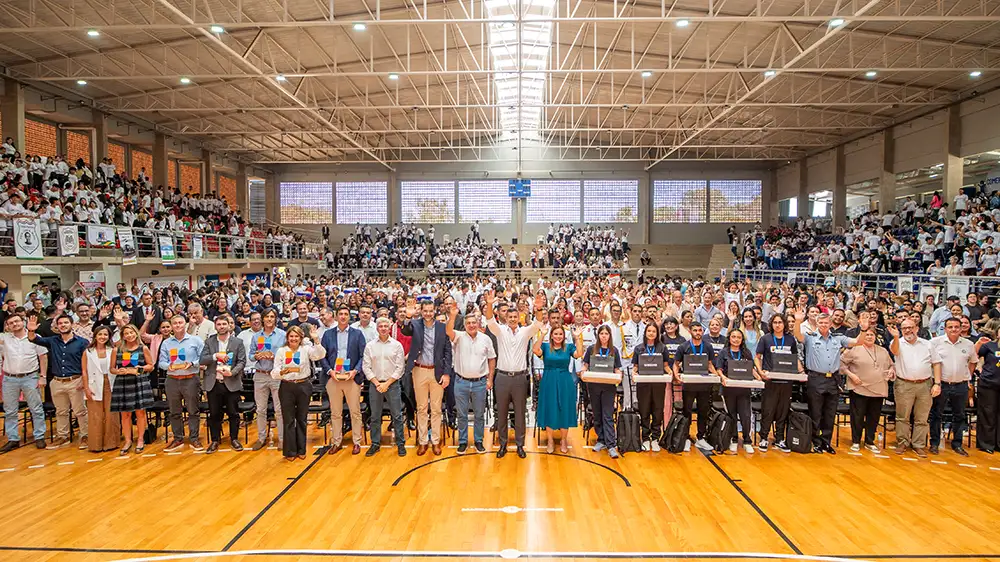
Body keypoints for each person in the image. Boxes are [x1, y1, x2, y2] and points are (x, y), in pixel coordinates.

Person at [485, 290, 544, 459]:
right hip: (502, 377)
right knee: (501, 413)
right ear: (505, 318)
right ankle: (502, 444)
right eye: (509, 317)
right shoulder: (500, 331)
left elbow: (538, 324)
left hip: (520, 378)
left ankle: (520, 445)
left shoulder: (525, 332)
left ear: (519, 317)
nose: (512, 319)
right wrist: (489, 304)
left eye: (514, 317)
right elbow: (489, 320)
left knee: (520, 413)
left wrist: (538, 309)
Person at [794, 310, 859, 454]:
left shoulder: (838, 338)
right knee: (816, 413)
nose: (823, 325)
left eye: (826, 323)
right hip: (816, 378)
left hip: (833, 379)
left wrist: (864, 329)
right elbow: (798, 336)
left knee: (830, 414)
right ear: (816, 324)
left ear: (830, 324)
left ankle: (826, 442)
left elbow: (857, 342)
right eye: (821, 322)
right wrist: (798, 320)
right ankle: (816, 442)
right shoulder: (810, 337)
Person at [28, 313, 89, 448]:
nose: (63, 325)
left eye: (66, 323)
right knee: (61, 411)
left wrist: (83, 380)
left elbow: (87, 363)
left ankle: (85, 435)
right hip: (57, 381)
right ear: (57, 326)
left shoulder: (82, 342)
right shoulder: (52, 340)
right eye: (60, 323)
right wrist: (31, 330)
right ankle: (63, 436)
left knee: (80, 411)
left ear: (72, 325)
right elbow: (32, 338)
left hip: (75, 380)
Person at [401, 300, 452, 456]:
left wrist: (446, 373)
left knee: (436, 409)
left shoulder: (443, 328)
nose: (428, 313)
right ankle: (423, 441)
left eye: (431, 311)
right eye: (425, 311)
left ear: (435, 311)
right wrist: (408, 317)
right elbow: (405, 331)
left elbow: (447, 352)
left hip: (437, 371)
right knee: (421, 408)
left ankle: (436, 441)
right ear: (421, 311)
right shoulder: (415, 325)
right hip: (419, 370)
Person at [447, 303, 496, 455]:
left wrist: (490, 379)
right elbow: (448, 330)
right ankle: (462, 442)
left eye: (474, 322)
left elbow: (492, 359)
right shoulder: (459, 336)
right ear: (464, 325)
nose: (471, 325)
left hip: (480, 382)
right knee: (461, 414)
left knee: (479, 414)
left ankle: (478, 441)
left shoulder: (486, 339)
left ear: (478, 323)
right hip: (461, 381)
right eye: (468, 323)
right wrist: (453, 315)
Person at [271, 325, 325, 460]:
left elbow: (320, 355)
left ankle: (301, 449)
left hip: (303, 386)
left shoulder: (306, 349)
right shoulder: (281, 351)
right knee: (288, 419)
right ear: (287, 338)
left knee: (301, 419)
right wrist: (284, 372)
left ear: (301, 337)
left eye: (296, 336)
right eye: (291, 336)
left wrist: (316, 339)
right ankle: (290, 451)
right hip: (287, 386)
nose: (293, 339)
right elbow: (275, 372)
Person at [888, 318, 940, 457]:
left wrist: (937, 383)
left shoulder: (927, 344)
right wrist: (895, 336)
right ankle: (902, 442)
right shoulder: (897, 342)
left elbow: (936, 363)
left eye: (910, 327)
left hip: (925, 384)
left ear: (916, 328)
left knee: (922, 418)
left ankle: (918, 445)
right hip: (904, 384)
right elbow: (894, 351)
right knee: (902, 417)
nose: (907, 330)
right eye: (904, 328)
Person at [319, 305, 366, 455]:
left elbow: (363, 356)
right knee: (335, 412)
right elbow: (322, 356)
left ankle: (357, 441)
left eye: (346, 314)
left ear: (349, 317)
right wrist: (329, 371)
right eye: (341, 314)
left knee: (355, 412)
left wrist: (355, 371)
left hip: (351, 378)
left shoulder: (357, 334)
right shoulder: (328, 335)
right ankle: (336, 441)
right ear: (336, 316)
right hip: (333, 378)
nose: (343, 316)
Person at [754, 313, 803, 453]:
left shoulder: (790, 339)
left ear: (784, 324)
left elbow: (795, 359)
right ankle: (763, 437)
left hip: (786, 381)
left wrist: (801, 372)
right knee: (768, 410)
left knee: (783, 411)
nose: (777, 325)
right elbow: (757, 357)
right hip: (770, 381)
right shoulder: (765, 339)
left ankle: (780, 439)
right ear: (771, 324)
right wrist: (760, 371)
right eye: (775, 322)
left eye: (780, 322)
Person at [928, 317, 977, 456]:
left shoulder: (968, 344)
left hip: (961, 385)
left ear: (961, 328)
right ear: (945, 328)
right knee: (937, 414)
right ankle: (934, 443)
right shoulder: (935, 343)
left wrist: (968, 376)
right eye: (950, 327)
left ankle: (957, 444)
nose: (954, 329)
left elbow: (973, 362)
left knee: (959, 415)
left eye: (956, 327)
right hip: (941, 384)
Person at [0, 314, 49, 453]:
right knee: (10, 411)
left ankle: (39, 436)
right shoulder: (4, 339)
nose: (14, 324)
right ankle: (13, 439)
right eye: (11, 323)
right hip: (9, 378)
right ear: (7, 326)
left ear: (23, 322)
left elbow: (43, 357)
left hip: (30, 377)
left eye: (17, 321)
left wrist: (43, 376)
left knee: (36, 408)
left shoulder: (35, 337)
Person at [839, 328, 893, 453]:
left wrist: (891, 370)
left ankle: (869, 441)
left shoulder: (883, 350)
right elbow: (841, 364)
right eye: (867, 334)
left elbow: (891, 365)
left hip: (878, 389)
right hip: (859, 387)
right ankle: (856, 441)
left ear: (876, 336)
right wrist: (851, 375)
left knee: (873, 417)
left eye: (872, 335)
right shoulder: (853, 349)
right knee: (857, 416)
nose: (869, 337)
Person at [158, 315, 206, 452]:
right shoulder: (166, 343)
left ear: (185, 324)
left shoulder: (195, 340)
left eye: (180, 323)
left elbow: (203, 358)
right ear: (171, 326)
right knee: (174, 412)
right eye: (175, 323)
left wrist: (192, 363)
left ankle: (194, 438)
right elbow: (161, 362)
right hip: (172, 380)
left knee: (193, 410)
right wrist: (169, 366)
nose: (178, 325)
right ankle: (178, 438)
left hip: (190, 379)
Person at [533, 323, 584, 454]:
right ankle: (550, 440)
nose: (558, 336)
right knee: (550, 408)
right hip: (549, 380)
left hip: (564, 380)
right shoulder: (545, 346)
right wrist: (542, 334)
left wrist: (577, 338)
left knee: (564, 409)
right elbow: (535, 350)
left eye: (560, 334)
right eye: (555, 334)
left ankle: (564, 440)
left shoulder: (568, 347)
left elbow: (579, 354)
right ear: (551, 335)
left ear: (564, 336)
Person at [200, 314, 247, 454]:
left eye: (224, 324)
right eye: (219, 324)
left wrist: (232, 372)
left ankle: (234, 439)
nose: (221, 327)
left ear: (229, 325)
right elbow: (202, 360)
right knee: (214, 414)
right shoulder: (209, 342)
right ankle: (215, 440)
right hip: (214, 383)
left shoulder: (237, 342)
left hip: (231, 381)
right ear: (215, 326)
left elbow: (242, 362)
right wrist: (215, 356)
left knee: (233, 413)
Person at [362, 317, 407, 457]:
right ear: (377, 328)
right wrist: (377, 383)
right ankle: (375, 443)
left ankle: (400, 443)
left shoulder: (397, 345)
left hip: (392, 384)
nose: (382, 328)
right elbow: (366, 366)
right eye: (380, 326)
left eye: (385, 326)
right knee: (375, 416)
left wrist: (386, 384)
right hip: (375, 385)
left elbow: (400, 368)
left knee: (397, 415)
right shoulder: (370, 346)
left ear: (389, 328)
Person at [673, 322, 719, 451]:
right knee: (687, 412)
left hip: (704, 385)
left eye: (700, 330)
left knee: (703, 411)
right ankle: (686, 437)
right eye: (695, 330)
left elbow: (710, 364)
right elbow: (676, 364)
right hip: (689, 385)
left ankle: (700, 438)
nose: (698, 332)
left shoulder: (708, 346)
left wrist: (717, 376)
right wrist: (676, 376)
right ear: (690, 331)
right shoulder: (683, 346)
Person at [110, 323, 154, 454]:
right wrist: (119, 372)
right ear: (122, 336)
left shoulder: (143, 348)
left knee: (140, 413)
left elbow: (150, 365)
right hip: (123, 383)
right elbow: (112, 369)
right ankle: (128, 440)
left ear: (136, 333)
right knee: (125, 414)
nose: (129, 335)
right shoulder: (116, 349)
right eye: (126, 333)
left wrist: (139, 369)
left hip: (139, 381)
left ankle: (140, 439)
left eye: (131, 333)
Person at [716, 328, 760, 454]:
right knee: (732, 415)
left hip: (743, 390)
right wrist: (723, 377)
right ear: (729, 338)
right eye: (733, 337)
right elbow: (719, 369)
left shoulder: (746, 353)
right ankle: (734, 439)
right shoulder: (723, 352)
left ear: (742, 340)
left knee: (746, 415)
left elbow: (751, 369)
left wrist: (759, 377)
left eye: (739, 337)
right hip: (728, 389)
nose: (736, 339)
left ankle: (747, 441)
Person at [582, 324, 623, 458]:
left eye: (606, 334)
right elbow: (585, 365)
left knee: (607, 415)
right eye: (601, 334)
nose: (604, 336)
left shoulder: (614, 351)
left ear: (610, 336)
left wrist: (619, 375)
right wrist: (583, 372)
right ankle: (601, 440)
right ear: (598, 335)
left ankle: (611, 444)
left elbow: (617, 368)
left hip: (608, 387)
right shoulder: (591, 349)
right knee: (597, 414)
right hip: (594, 386)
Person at [631, 323, 671, 451]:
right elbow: (635, 366)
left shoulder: (662, 348)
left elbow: (665, 365)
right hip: (643, 384)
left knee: (657, 410)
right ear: (645, 332)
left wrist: (670, 371)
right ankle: (645, 438)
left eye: (654, 331)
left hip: (658, 384)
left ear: (657, 333)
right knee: (644, 410)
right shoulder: (639, 348)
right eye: (649, 331)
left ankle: (655, 438)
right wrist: (633, 372)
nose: (651, 333)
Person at [249, 309, 285, 450]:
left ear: (275, 319)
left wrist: (274, 356)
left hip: (276, 374)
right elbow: (251, 355)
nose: (269, 319)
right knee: (261, 409)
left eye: (272, 317)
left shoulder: (282, 335)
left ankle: (282, 439)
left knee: (279, 409)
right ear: (262, 319)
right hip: (260, 374)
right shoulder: (256, 336)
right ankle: (261, 437)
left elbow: (287, 354)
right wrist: (256, 356)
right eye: (267, 317)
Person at [81, 325, 121, 453]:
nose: (102, 337)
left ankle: (111, 443)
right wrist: (86, 388)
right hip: (93, 384)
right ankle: (95, 444)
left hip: (110, 383)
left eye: (105, 334)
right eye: (100, 334)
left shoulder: (113, 350)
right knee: (95, 415)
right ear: (95, 336)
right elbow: (84, 371)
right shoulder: (88, 352)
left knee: (111, 414)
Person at [975, 332, 1000, 454]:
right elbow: (974, 356)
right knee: (987, 413)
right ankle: (986, 444)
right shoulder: (989, 346)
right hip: (989, 384)